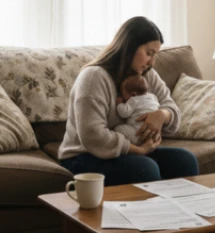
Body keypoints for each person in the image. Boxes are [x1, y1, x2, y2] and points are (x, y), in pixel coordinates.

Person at [58, 16, 199, 186]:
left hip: (131, 152)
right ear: (129, 47)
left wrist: (162, 115)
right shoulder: (94, 77)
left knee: (185, 161)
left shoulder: (147, 76)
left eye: (155, 55)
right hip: (84, 156)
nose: (152, 62)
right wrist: (139, 150)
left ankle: (178, 211)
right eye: (149, 53)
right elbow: (93, 135)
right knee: (145, 169)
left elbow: (172, 110)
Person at [114, 74, 160, 144]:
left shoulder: (134, 100)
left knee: (118, 129)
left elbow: (124, 113)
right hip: (153, 134)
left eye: (123, 94)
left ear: (133, 94)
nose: (122, 97)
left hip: (138, 133)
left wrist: (119, 104)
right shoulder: (153, 97)